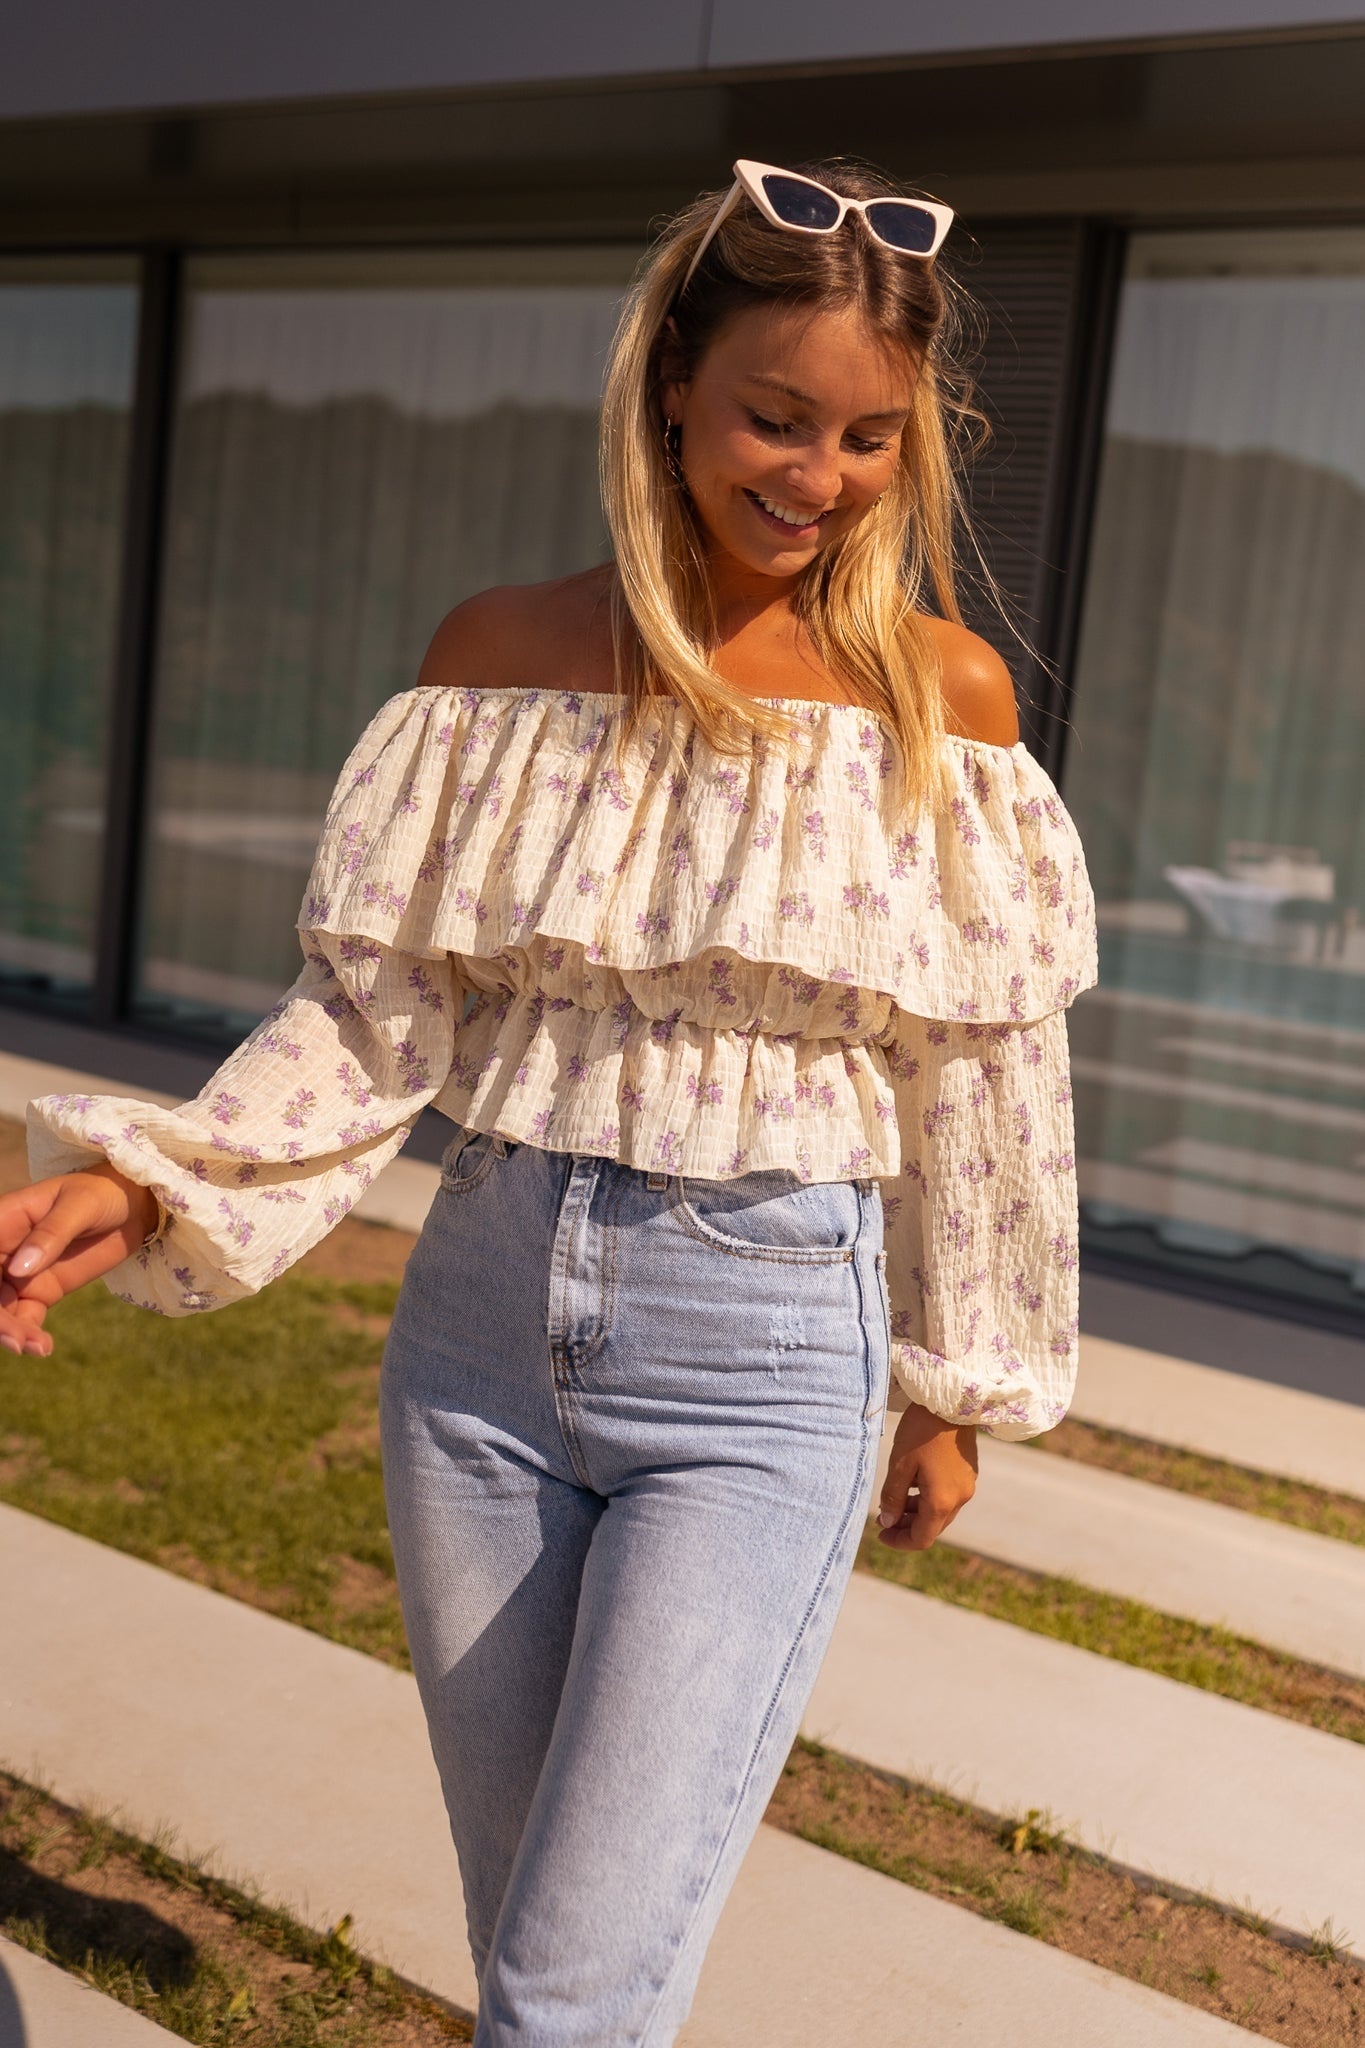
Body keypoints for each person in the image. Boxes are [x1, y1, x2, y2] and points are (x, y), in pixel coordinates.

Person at [0, 158, 1096, 2044]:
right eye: (771, 415)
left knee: (571, 1996)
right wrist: (156, 1186)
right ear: (669, 383)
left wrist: (951, 1378)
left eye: (862, 437)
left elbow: (987, 1081)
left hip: (761, 1355)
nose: (811, 473)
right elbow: (376, 1021)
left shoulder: (938, 699)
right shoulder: (495, 665)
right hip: (482, 1336)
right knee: (539, 1950)